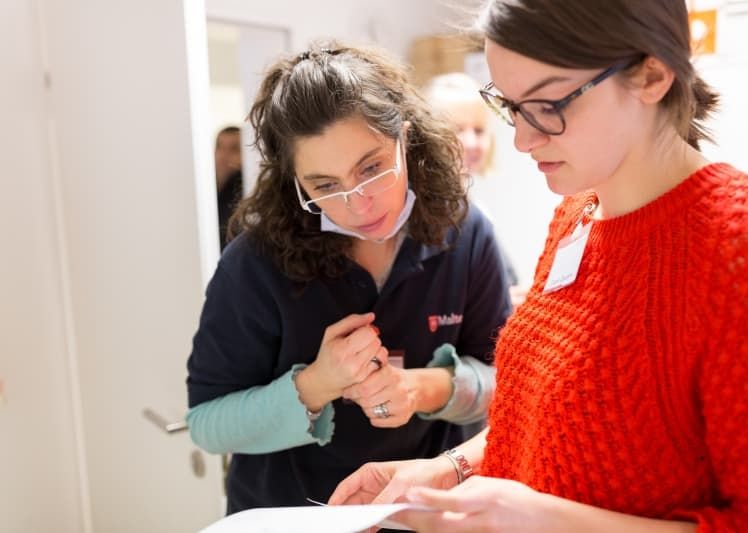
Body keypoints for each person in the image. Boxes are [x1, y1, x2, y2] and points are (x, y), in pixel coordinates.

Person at [329, 1, 748, 531]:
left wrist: (546, 520)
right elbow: (544, 423)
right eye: (509, 106)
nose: (523, 139)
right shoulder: (578, 214)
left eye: (549, 104)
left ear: (652, 74)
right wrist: (447, 470)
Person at [185, 42, 511, 514]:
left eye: (372, 168)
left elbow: (507, 384)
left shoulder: (463, 232)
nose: (359, 205)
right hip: (290, 514)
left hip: (425, 511)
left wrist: (423, 388)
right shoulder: (255, 261)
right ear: (294, 180)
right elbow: (207, 424)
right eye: (325, 186)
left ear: (405, 136)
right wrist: (317, 384)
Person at [424, 72, 528, 307]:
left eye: (479, 131)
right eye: (457, 129)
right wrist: (497, 303)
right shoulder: (423, 216)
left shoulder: (474, 208)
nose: (471, 143)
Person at [214, 125, 243, 249]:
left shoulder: (243, 191)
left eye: (234, 149)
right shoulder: (206, 190)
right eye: (219, 147)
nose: (224, 156)